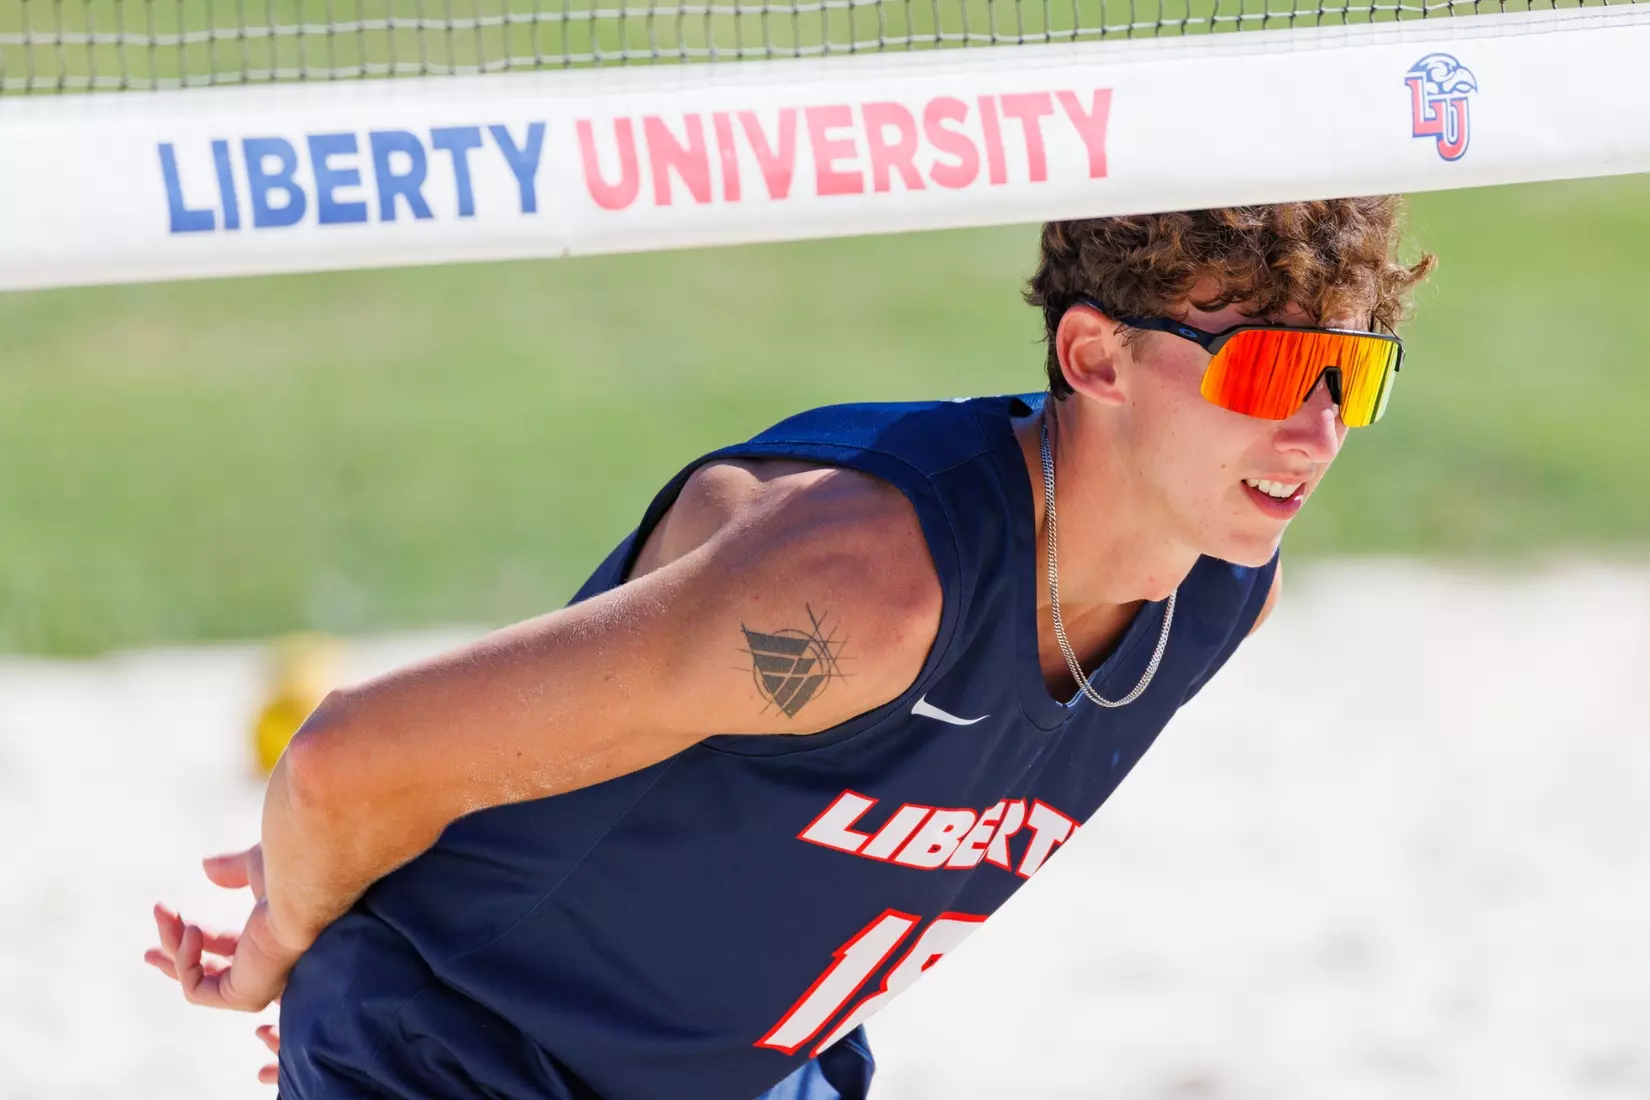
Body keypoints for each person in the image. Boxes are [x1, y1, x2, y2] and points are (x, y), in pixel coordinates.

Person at [145, 200, 1434, 1100]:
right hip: (470, 1055)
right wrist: (294, 952)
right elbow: (343, 765)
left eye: (1352, 379)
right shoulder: (856, 590)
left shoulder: (1220, 594)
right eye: (1268, 373)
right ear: (1094, 354)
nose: (1317, 438)